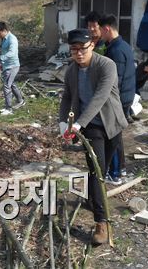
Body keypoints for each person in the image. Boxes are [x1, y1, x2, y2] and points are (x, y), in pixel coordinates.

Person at [59, 29, 127, 245]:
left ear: (92, 46)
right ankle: (101, 222)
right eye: (74, 50)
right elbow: (67, 97)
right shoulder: (71, 71)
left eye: (82, 49)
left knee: (101, 170)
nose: (78, 54)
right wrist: (64, 123)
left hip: (111, 123)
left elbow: (100, 96)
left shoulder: (107, 65)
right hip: (91, 129)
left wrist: (78, 123)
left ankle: (93, 198)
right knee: (96, 172)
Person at [99, 14, 135, 183]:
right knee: (117, 136)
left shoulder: (116, 50)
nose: (99, 34)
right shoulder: (124, 45)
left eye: (100, 30)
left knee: (112, 137)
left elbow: (116, 80)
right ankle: (120, 169)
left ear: (107, 28)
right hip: (126, 97)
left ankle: (114, 174)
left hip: (118, 99)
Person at [0, 21, 25, 116]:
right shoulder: (4, 39)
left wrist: (0, 58)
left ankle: (8, 108)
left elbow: (12, 53)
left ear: (4, 30)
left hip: (12, 66)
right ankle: (20, 101)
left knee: (6, 86)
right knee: (11, 84)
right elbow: (4, 52)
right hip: (6, 66)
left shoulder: (12, 39)